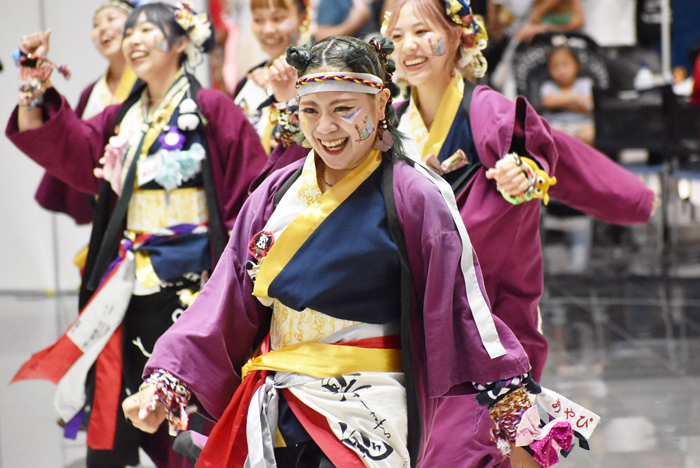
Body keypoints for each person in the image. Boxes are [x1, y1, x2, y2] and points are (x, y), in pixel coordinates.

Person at [120, 36, 561, 468]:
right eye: (310, 110)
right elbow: (225, 297)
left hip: (370, 398)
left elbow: (464, 310)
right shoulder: (277, 192)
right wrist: (167, 382)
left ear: (381, 102)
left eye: (343, 109)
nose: (325, 128)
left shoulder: (416, 193)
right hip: (275, 391)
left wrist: (515, 418)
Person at [385, 0, 656, 466]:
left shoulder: (485, 108)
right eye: (397, 36)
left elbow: (529, 154)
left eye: (422, 31)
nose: (409, 46)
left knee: (488, 447)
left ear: (455, 36)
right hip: (421, 328)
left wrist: (521, 176)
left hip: (493, 330)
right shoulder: (394, 122)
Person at [7, 3, 267, 467]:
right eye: (131, 31)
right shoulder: (121, 117)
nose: (134, 38)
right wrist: (33, 85)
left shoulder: (212, 109)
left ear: (182, 41)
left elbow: (251, 194)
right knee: (119, 398)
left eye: (148, 29)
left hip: (196, 285)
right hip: (129, 282)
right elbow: (70, 148)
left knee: (185, 412)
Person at [35, 0, 139, 226]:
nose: (102, 28)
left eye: (111, 19)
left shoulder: (151, 83)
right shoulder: (91, 93)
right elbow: (75, 142)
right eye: (96, 24)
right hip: (106, 201)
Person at [233, 0, 310, 154]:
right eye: (258, 20)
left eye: (278, 19)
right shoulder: (248, 81)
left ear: (303, 17)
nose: (268, 29)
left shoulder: (316, 76)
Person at [540, 45, 594, 144]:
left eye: (565, 64)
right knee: (553, 134)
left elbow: (589, 106)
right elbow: (548, 102)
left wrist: (561, 103)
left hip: (583, 123)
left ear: (576, 65)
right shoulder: (548, 86)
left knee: (590, 133)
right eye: (555, 66)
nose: (561, 71)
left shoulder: (585, 83)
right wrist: (576, 100)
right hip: (558, 123)